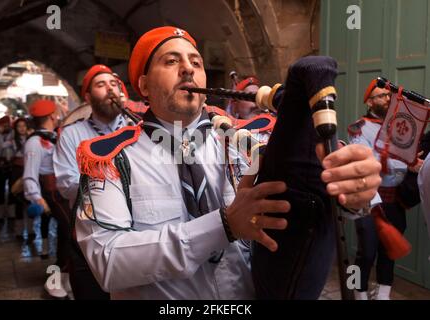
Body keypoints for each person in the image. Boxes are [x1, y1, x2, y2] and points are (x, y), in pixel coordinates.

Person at [74, 26, 381, 299]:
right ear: (143, 86)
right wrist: (224, 225)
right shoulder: (111, 158)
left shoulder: (252, 141)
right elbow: (108, 260)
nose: (187, 70)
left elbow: (312, 194)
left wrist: (353, 193)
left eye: (196, 62)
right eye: (171, 61)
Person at [53, 64, 127, 300]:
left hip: (135, 234)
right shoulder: (72, 134)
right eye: (101, 85)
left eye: (114, 84)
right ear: (87, 97)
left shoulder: (137, 130)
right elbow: (67, 183)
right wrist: (113, 185)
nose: (110, 89)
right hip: (90, 236)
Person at [348, 79, 423, 300]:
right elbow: (365, 163)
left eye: (388, 95)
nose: (387, 99)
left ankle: (382, 295)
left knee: (389, 252)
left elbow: (404, 162)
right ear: (369, 102)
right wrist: (401, 161)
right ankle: (355, 291)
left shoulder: (400, 126)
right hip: (370, 199)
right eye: (381, 96)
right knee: (366, 253)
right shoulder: (359, 127)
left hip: (394, 201)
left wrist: (412, 165)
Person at [23, 100, 71, 299]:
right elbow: (30, 173)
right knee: (69, 232)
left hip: (62, 191)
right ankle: (55, 280)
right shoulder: (35, 141)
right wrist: (37, 197)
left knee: (68, 235)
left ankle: (66, 279)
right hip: (52, 192)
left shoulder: (55, 135)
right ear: (52, 115)